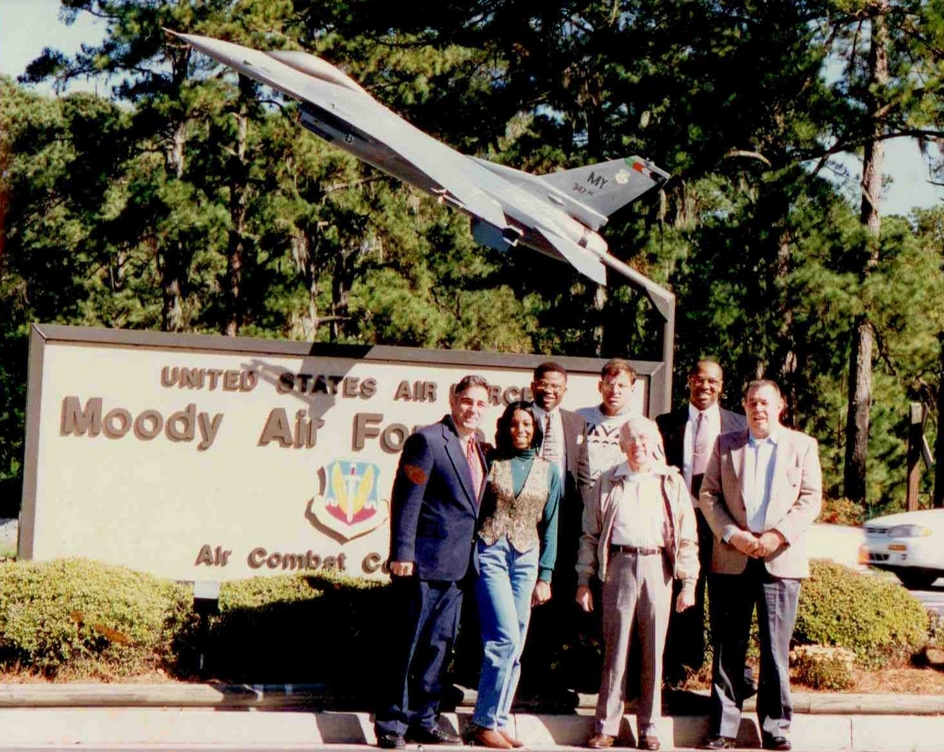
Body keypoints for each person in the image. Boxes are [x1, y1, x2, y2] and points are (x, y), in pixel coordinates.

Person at [698, 380, 822, 752]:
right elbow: (709, 494)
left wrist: (777, 536)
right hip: (731, 558)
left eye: (765, 402)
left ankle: (776, 728)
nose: (758, 409)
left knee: (774, 650)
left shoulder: (802, 446)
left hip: (780, 561)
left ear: (780, 405)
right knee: (727, 648)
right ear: (744, 406)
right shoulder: (725, 444)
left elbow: (810, 498)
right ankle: (724, 729)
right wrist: (732, 534)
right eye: (752, 402)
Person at [374, 375, 491, 750]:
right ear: (453, 400)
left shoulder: (479, 449)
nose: (473, 409)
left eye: (481, 404)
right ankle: (391, 724)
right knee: (407, 646)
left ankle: (425, 719)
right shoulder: (427, 441)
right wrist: (401, 553)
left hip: (458, 569)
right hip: (422, 565)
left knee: (439, 647)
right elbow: (407, 499)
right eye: (467, 401)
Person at [576, 416, 699, 752]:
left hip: (659, 567)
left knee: (653, 651)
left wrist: (688, 583)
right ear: (621, 444)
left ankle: (650, 729)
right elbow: (590, 534)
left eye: (644, 438)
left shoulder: (670, 482)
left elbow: (687, 537)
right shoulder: (609, 480)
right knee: (615, 650)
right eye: (630, 439)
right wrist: (584, 579)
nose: (637, 445)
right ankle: (606, 727)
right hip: (619, 566)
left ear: (655, 442)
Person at [465, 401, 562, 749]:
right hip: (491, 551)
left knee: (516, 642)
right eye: (514, 424)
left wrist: (545, 575)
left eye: (527, 425)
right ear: (505, 427)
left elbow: (551, 526)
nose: (520, 430)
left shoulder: (549, 471)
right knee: (503, 637)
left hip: (526, 557)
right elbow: (475, 509)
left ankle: (499, 719)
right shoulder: (492, 462)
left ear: (536, 430)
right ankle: (482, 722)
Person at [656, 360, 748, 684]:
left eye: (712, 381)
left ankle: (727, 670)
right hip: (681, 518)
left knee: (724, 595)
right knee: (682, 589)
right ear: (689, 381)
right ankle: (681, 666)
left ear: (721, 385)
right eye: (699, 379)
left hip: (722, 520)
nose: (705, 386)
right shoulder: (666, 423)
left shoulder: (738, 424)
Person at [520, 362, 591, 696]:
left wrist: (587, 517)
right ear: (533, 385)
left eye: (556, 386)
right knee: (526, 594)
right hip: (525, 519)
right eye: (543, 384)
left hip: (563, 521)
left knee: (557, 596)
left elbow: (583, 474)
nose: (549, 390)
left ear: (564, 389)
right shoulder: (519, 417)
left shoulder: (576, 422)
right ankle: (523, 672)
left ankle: (548, 673)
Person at [577, 359, 639, 488]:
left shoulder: (639, 424)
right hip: (582, 491)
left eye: (621, 386)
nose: (614, 391)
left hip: (619, 490)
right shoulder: (579, 417)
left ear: (632, 389)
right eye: (609, 384)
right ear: (600, 386)